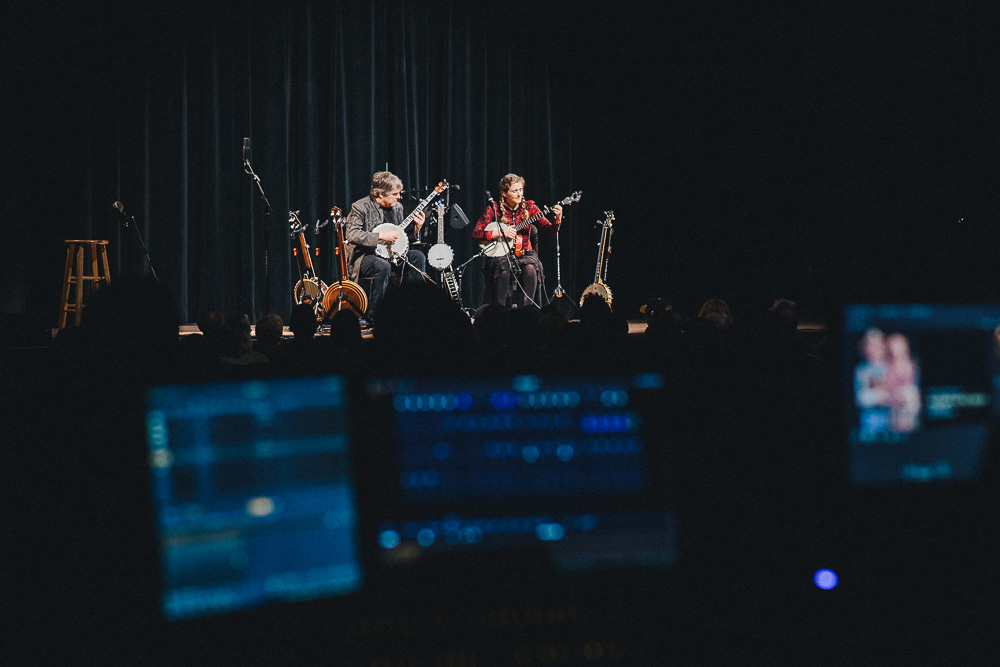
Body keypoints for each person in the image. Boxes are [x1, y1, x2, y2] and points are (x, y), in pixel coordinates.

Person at [344, 171, 427, 325]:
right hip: (363, 257)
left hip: (391, 254)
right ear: (381, 194)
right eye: (395, 194)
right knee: (382, 265)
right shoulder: (360, 207)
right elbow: (352, 235)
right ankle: (375, 316)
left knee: (417, 257)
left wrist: (416, 228)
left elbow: (401, 238)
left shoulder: (398, 208)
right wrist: (380, 237)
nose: (399, 197)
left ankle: (414, 308)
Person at [472, 173, 562, 308]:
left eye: (520, 190)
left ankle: (528, 310)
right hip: (501, 255)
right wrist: (499, 234)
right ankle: (499, 311)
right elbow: (476, 233)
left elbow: (550, 230)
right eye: (515, 191)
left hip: (525, 252)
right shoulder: (494, 209)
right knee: (504, 268)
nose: (519, 194)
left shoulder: (530, 207)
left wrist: (558, 219)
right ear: (504, 193)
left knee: (530, 268)